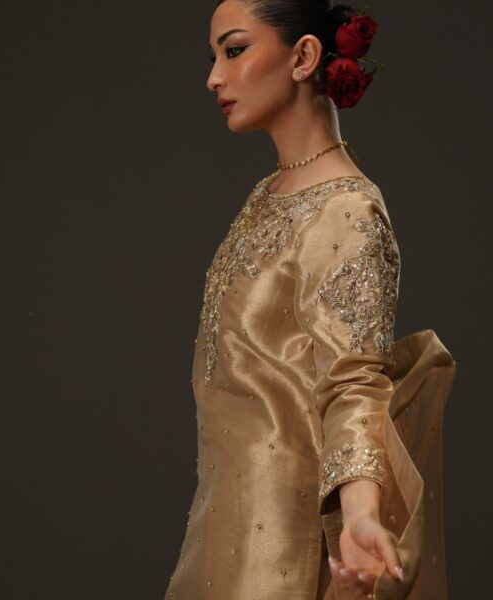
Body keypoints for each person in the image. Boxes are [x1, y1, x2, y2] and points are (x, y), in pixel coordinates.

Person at [164, 1, 456, 598]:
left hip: (281, 551)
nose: (214, 77)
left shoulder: (346, 210)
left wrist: (362, 514)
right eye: (214, 56)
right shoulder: (268, 192)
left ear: (303, 56)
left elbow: (354, 382)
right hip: (221, 528)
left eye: (234, 50)